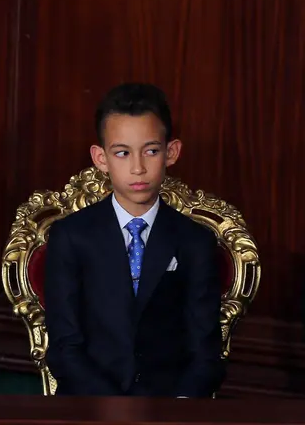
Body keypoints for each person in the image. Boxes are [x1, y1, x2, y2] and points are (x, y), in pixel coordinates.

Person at [43, 82, 224, 397]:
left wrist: (178, 406)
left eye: (151, 151)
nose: (138, 168)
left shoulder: (195, 241)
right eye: (122, 153)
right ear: (101, 158)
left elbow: (205, 353)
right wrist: (113, 409)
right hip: (90, 405)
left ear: (171, 152)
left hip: (168, 407)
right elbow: (64, 347)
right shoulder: (71, 236)